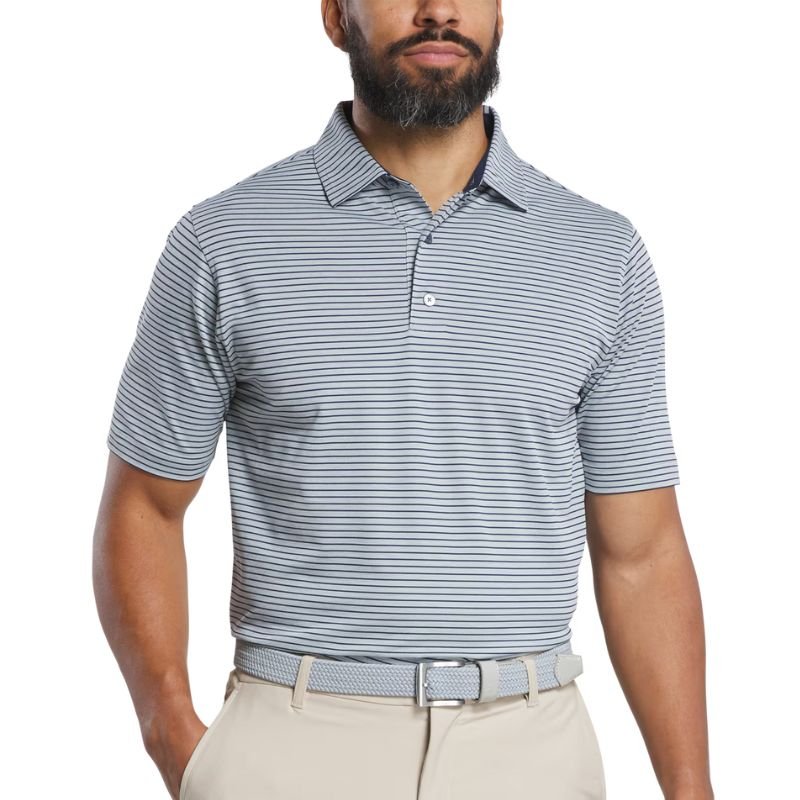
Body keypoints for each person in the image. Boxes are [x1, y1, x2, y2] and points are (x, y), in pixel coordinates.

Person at [93, 1, 713, 799]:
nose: (439, 10)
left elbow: (643, 553)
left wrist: (691, 790)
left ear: (500, 15)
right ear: (334, 16)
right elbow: (145, 506)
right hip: (292, 742)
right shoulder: (224, 241)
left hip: (533, 748)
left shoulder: (601, 254)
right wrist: (174, 734)